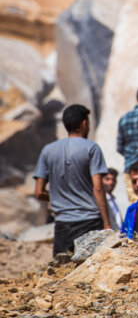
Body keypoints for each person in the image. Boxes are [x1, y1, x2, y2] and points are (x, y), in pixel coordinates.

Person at [33, 104, 111, 256]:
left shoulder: (48, 151)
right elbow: (98, 188)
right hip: (90, 222)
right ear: (84, 124)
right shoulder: (92, 149)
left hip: (62, 225)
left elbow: (38, 192)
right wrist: (107, 224)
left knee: (63, 273)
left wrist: (57, 197)